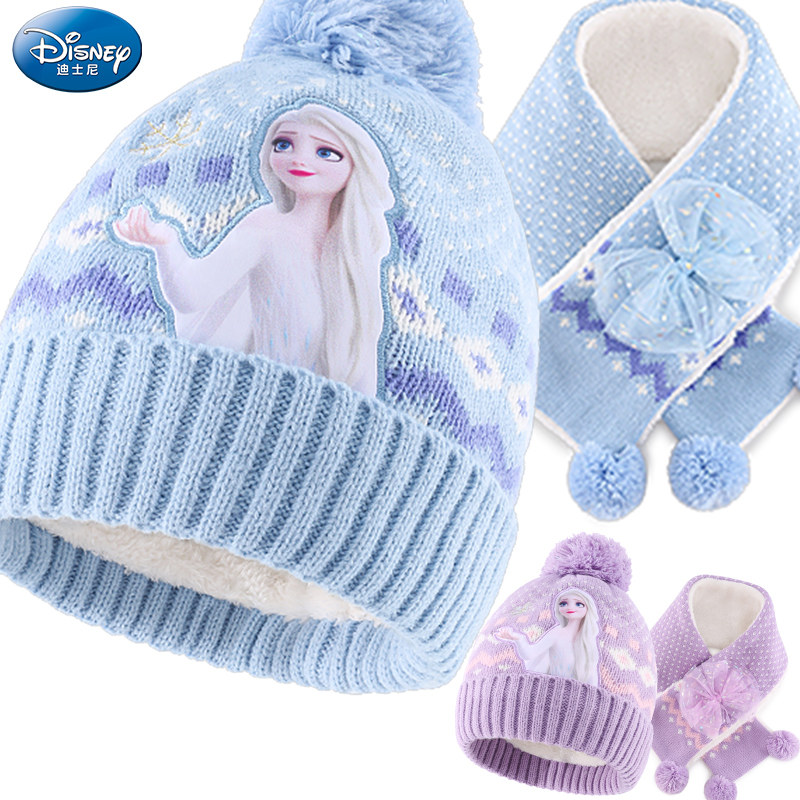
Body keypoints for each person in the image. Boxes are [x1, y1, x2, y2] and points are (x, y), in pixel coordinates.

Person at [114, 103, 394, 396]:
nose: (299, 159)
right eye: (283, 144)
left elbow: (363, 353)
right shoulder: (266, 227)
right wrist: (166, 242)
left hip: (325, 410)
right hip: (253, 398)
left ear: (357, 165)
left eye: (325, 152)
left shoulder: (356, 251)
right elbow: (192, 294)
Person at [495, 589, 600, 685]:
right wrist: (518, 639)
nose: (570, 607)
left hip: (579, 693)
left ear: (588, 608)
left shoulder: (588, 639)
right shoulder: (557, 632)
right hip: (552, 688)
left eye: (579, 604)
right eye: (563, 603)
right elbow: (530, 654)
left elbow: (592, 674)